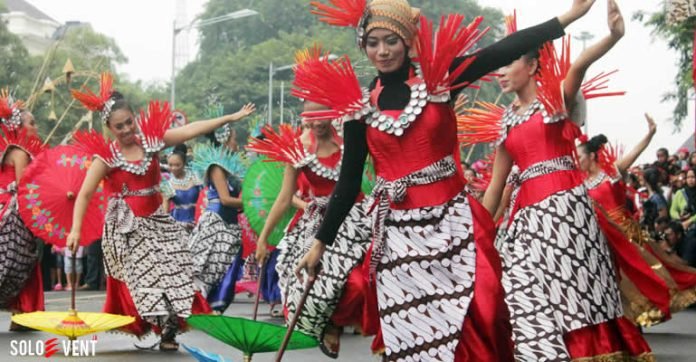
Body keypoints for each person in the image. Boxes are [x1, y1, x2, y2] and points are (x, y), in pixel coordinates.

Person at [296, 0, 600, 360]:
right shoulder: (358, 109)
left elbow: (500, 50)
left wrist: (567, 17)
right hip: (398, 240)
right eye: (373, 42)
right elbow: (347, 186)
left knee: (484, 311)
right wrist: (319, 243)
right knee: (415, 336)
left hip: (455, 226)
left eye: (391, 40)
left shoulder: (440, 79)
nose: (382, 51)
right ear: (363, 44)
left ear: (408, 40)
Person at [481, 1, 653, 359]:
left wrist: (614, 36)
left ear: (531, 66)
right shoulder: (504, 124)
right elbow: (495, 188)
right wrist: (477, 232)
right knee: (523, 292)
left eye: (509, 62)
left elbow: (579, 64)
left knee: (576, 296)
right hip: (526, 221)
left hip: (568, 215)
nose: (501, 72)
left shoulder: (554, 102)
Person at [66, 72, 255, 351]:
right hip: (127, 228)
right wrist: (76, 229)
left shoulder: (152, 142)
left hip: (159, 223)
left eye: (130, 122)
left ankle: (169, 329)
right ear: (109, 127)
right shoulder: (106, 157)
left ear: (135, 118)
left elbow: (192, 129)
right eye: (120, 126)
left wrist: (228, 118)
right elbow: (84, 194)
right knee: (147, 278)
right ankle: (162, 322)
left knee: (174, 274)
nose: (127, 129)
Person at [251, 97, 372, 358]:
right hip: (317, 223)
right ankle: (328, 323)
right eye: (311, 118)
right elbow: (284, 197)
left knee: (362, 285)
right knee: (313, 282)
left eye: (324, 115)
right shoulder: (298, 149)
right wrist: (263, 239)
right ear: (304, 118)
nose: (318, 122)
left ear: (335, 115)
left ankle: (337, 322)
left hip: (358, 221)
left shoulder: (353, 138)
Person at [578, 116, 674, 327]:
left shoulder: (611, 172)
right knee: (615, 281)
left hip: (626, 232)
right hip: (601, 237)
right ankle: (625, 321)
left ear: (592, 156)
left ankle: (644, 314)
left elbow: (635, 153)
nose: (577, 162)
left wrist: (650, 134)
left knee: (640, 273)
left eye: (580, 157)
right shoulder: (580, 183)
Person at [188, 127, 248, 312]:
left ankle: (214, 307)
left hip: (230, 224)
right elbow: (225, 199)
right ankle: (199, 306)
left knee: (228, 266)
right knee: (207, 267)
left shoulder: (233, 168)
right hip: (216, 223)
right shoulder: (216, 166)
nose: (236, 144)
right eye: (233, 139)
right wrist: (249, 203)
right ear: (223, 141)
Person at [0, 96, 46, 331]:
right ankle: (23, 313)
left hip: (3, 207)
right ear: (18, 127)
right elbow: (23, 187)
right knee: (23, 262)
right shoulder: (20, 152)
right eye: (32, 123)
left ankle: (22, 314)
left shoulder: (6, 149)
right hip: (15, 213)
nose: (35, 127)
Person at [161, 144, 202, 232]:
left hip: (199, 222)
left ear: (184, 163)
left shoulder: (195, 177)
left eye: (177, 165)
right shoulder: (167, 184)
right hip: (178, 225)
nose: (174, 168)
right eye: (170, 165)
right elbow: (165, 210)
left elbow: (205, 197)